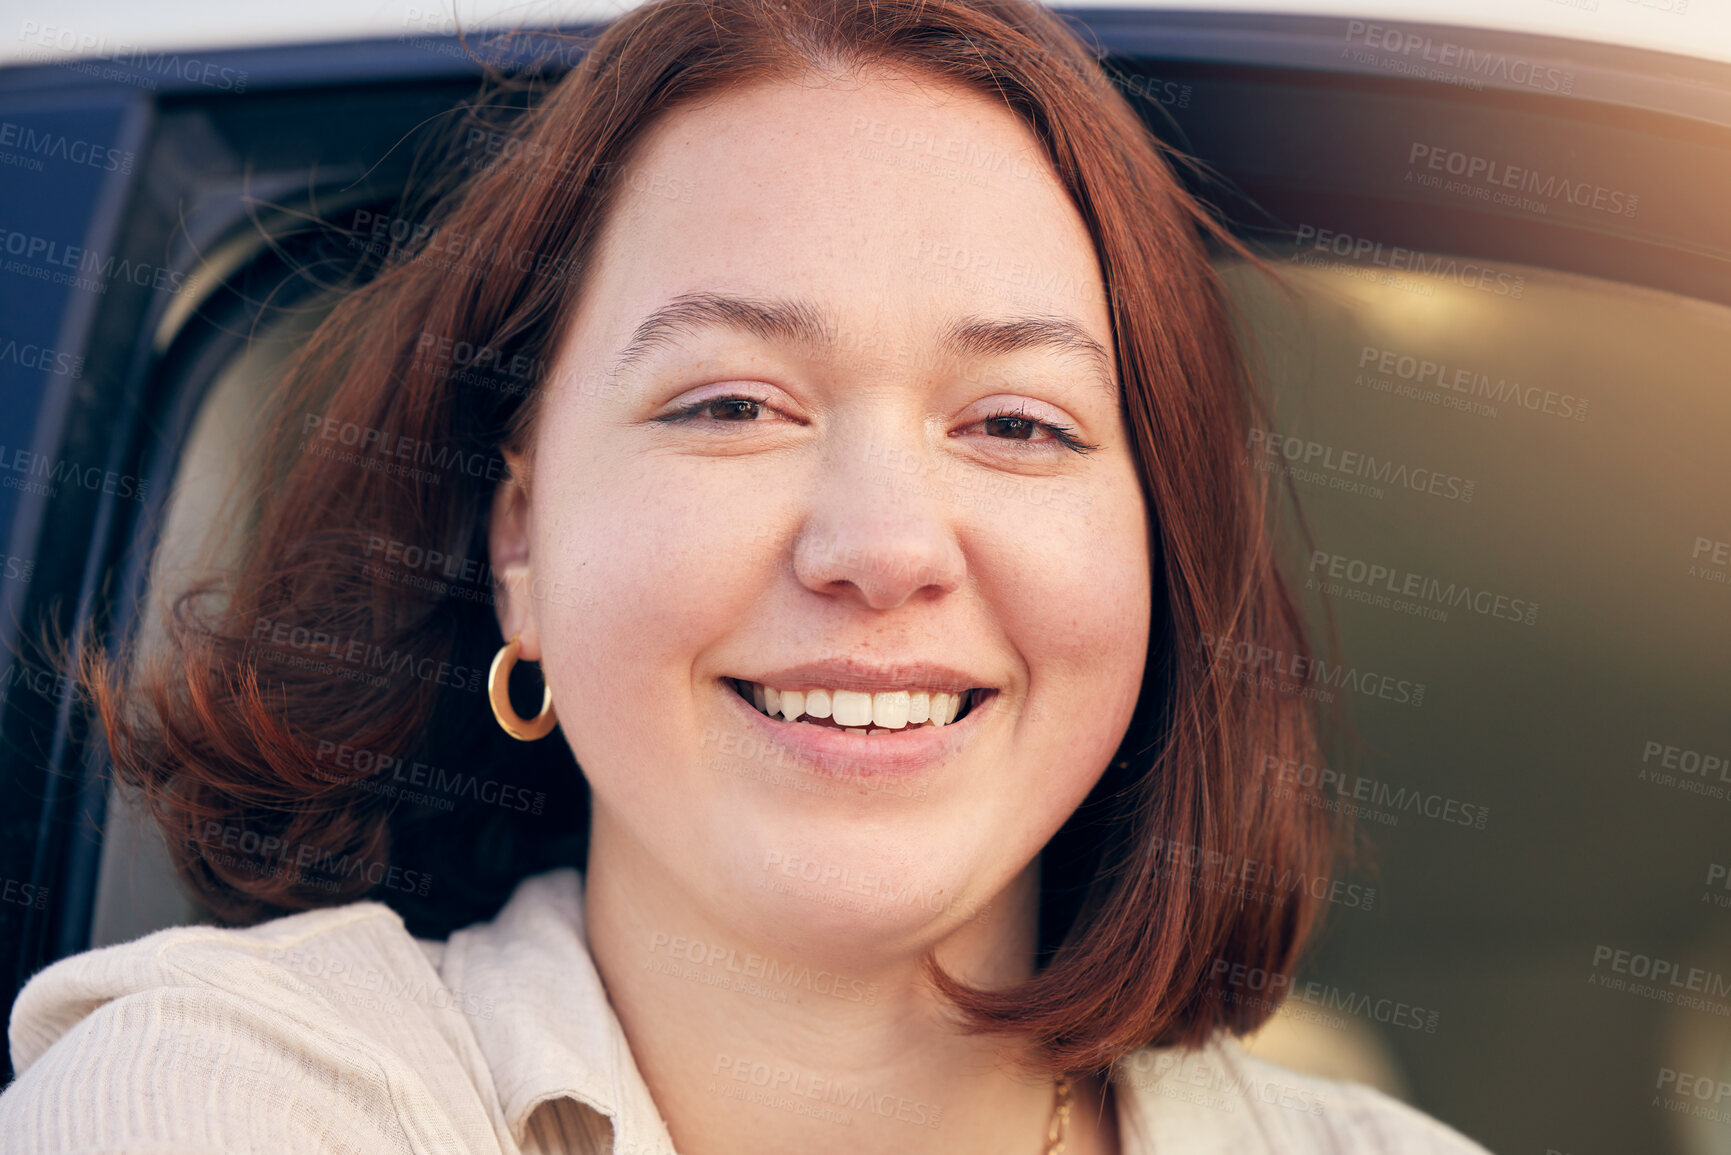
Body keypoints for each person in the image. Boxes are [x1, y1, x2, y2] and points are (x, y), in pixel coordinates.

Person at [0, 0, 1494, 1150]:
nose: (882, 549)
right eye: (730, 406)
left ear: (1159, 558)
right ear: (519, 543)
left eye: (1018, 424)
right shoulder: (218, 1095)